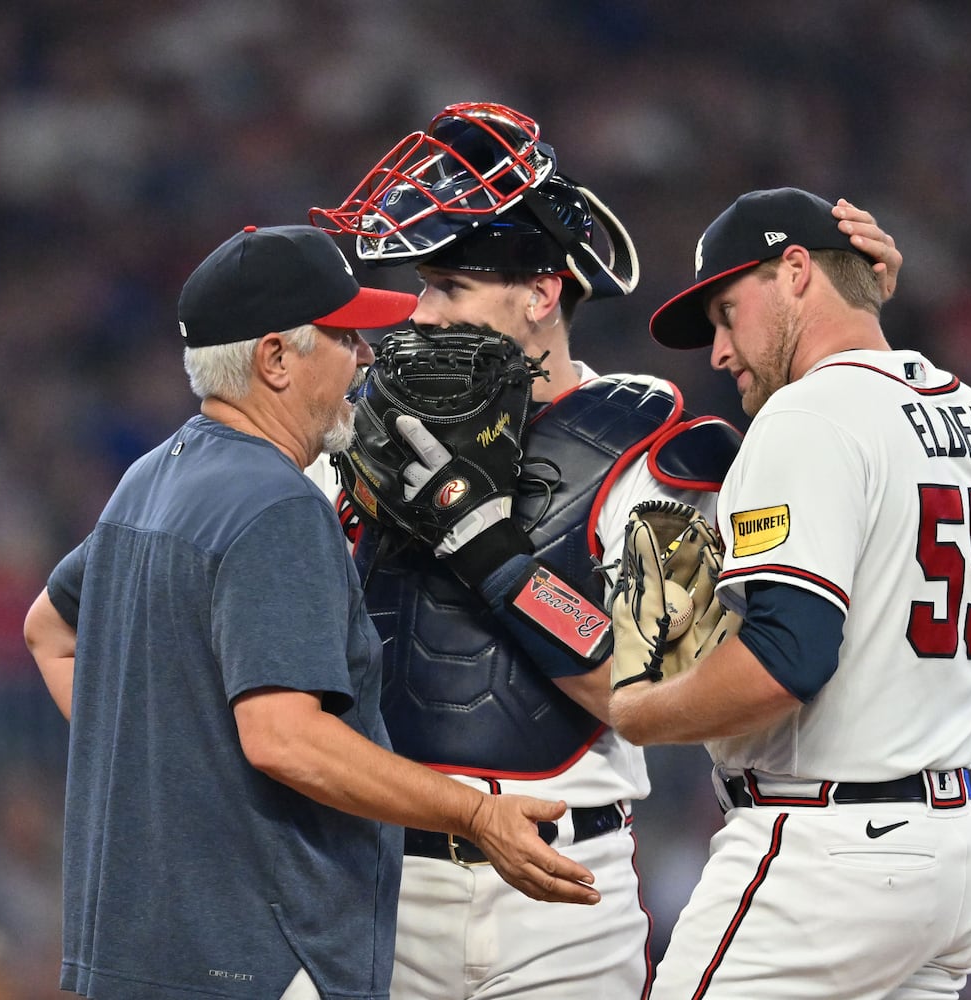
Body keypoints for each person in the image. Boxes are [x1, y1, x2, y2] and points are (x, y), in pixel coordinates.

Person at [308, 104, 905, 999]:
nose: (418, 314)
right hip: (371, 876)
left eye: (448, 289)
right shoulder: (351, 440)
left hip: (563, 898)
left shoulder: (648, 443)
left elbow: (658, 685)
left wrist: (487, 548)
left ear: (541, 293)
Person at [21, 224, 599, 1000]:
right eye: (344, 336)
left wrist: (180, 771)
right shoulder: (277, 506)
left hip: (137, 950)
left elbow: (50, 633)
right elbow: (285, 739)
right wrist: (474, 815)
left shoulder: (152, 477)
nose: (366, 357)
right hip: (255, 953)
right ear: (275, 359)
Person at [609, 186, 971, 998]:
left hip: (828, 860)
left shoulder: (805, 416)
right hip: (951, 851)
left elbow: (787, 660)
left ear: (794, 270)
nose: (718, 351)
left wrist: (635, 712)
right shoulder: (968, 411)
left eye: (726, 313)